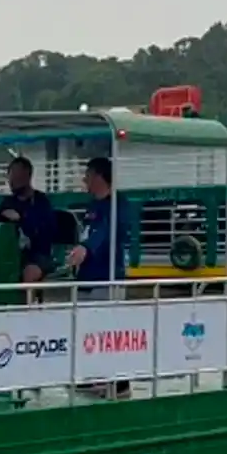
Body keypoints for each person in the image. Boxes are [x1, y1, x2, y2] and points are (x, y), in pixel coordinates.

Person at [66, 156, 131, 398]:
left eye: (88, 175)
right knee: (86, 330)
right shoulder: (92, 206)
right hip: (86, 277)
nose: (84, 180)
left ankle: (119, 382)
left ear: (98, 176)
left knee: (109, 330)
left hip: (107, 277)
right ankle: (92, 376)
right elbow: (88, 232)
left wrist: (87, 248)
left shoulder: (118, 205)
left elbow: (106, 233)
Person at [0, 156, 57, 304]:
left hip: (37, 256)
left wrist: (21, 219)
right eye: (10, 176)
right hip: (7, 255)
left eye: (17, 176)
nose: (12, 180)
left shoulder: (42, 202)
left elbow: (45, 232)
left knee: (29, 273)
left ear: (28, 176)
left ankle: (26, 312)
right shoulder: (7, 202)